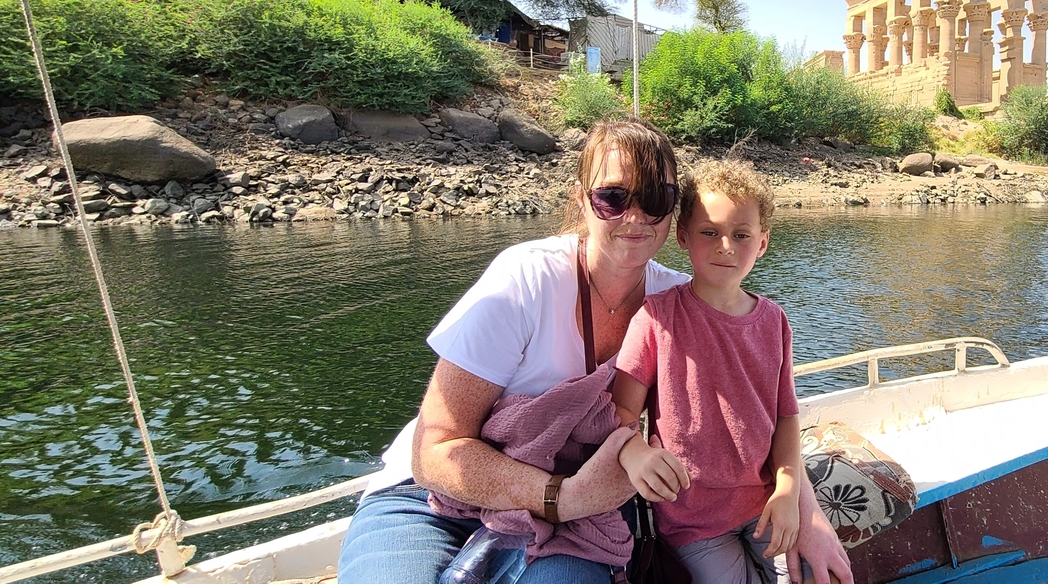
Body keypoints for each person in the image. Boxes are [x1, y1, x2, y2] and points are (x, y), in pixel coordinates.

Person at [336, 119, 853, 584]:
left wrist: (809, 517)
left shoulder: (686, 303)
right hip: (436, 500)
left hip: (580, 512)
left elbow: (767, 411)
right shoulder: (525, 279)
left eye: (654, 199)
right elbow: (435, 452)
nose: (635, 216)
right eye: (613, 197)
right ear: (583, 199)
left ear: (673, 214)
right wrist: (565, 496)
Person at [612, 159, 804, 583]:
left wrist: (789, 489)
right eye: (709, 232)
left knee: (807, 573)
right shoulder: (657, 318)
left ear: (763, 242)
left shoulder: (774, 322)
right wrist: (637, 452)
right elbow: (619, 414)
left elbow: (786, 415)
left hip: (764, 502)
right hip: (691, 519)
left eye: (741, 235)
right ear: (683, 237)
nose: (725, 246)